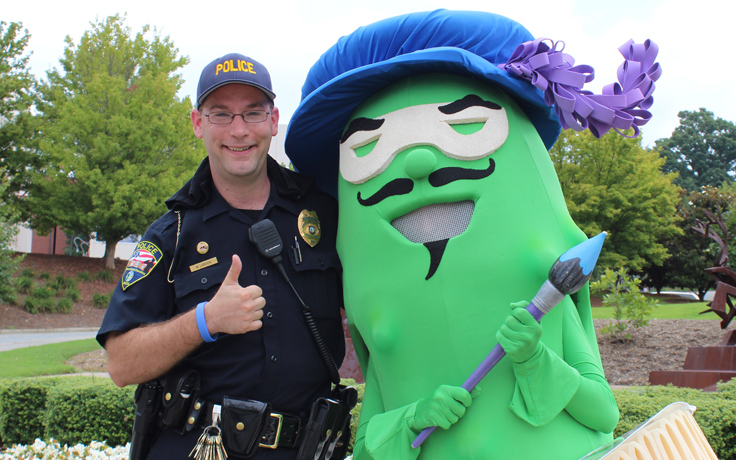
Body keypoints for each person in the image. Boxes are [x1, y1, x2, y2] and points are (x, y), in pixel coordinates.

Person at [97, 53, 346, 460]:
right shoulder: (170, 235)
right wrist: (204, 321)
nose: (239, 130)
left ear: (273, 120)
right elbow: (120, 364)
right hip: (204, 448)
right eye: (221, 115)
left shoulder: (324, 216)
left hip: (309, 448)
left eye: (252, 113)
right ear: (198, 123)